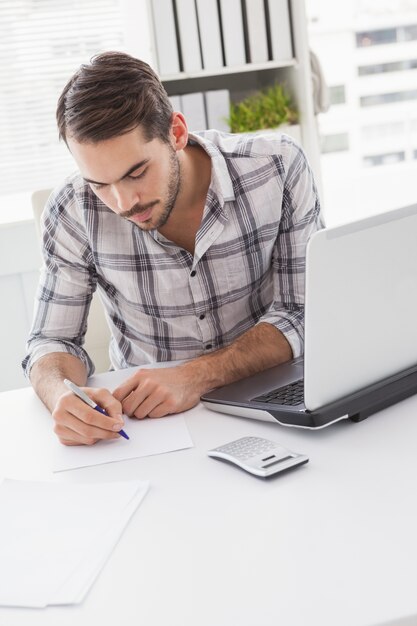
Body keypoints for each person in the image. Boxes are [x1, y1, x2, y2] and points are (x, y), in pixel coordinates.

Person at [23, 51, 323, 446]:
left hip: (274, 402)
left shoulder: (279, 166)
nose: (123, 202)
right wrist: (61, 395)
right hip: (147, 426)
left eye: (136, 172)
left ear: (176, 133)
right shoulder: (71, 208)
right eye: (100, 183)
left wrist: (194, 376)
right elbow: (51, 342)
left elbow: (302, 312)